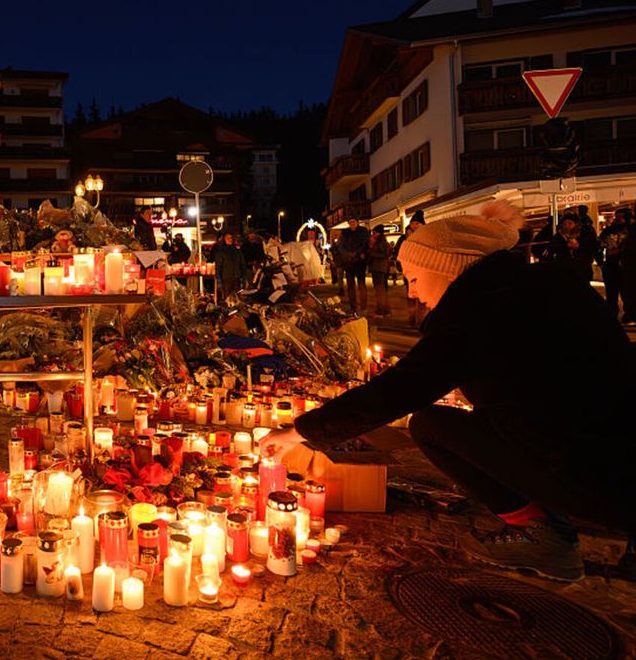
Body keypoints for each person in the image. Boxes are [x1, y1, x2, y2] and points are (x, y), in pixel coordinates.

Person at [260, 201, 636, 582]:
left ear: (446, 268)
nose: (412, 293)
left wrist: (298, 432)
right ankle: (548, 526)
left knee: (430, 426)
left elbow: (397, 391)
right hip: (614, 447)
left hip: (591, 471)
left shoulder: (481, 312)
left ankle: (545, 536)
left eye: (414, 279)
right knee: (448, 421)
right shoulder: (540, 283)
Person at [544, 215, 595, 285]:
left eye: (570, 223)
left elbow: (590, 250)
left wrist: (578, 247)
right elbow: (550, 253)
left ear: (576, 224)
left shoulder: (584, 236)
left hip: (582, 271)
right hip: (564, 272)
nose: (567, 226)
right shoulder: (557, 238)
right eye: (564, 224)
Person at [598, 208, 630, 318]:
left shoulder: (631, 230)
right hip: (611, 265)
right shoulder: (609, 230)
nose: (618, 219)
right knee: (611, 292)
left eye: (621, 217)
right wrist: (601, 262)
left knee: (627, 292)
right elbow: (599, 245)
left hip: (626, 267)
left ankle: (629, 314)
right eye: (617, 216)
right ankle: (612, 313)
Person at [334, 217, 369, 312]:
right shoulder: (345, 232)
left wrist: (357, 253)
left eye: (354, 222)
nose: (352, 224)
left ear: (357, 222)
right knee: (350, 286)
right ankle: (353, 306)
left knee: (361, 284)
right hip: (349, 262)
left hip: (360, 262)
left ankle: (364, 305)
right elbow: (340, 246)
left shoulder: (363, 231)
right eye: (350, 222)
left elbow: (365, 244)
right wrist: (347, 254)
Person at [212, 232, 246, 300]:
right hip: (226, 278)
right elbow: (218, 266)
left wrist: (243, 277)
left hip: (236, 277)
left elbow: (242, 264)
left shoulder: (237, 251)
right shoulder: (221, 252)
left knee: (237, 297)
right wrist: (219, 280)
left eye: (230, 238)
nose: (230, 240)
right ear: (224, 240)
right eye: (227, 238)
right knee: (228, 298)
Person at [367, 225, 392, 316]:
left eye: (375, 232)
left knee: (380, 290)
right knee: (382, 290)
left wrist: (371, 251)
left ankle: (381, 311)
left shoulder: (381, 242)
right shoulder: (380, 241)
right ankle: (385, 310)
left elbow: (384, 254)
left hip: (379, 268)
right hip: (378, 268)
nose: (373, 234)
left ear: (379, 233)